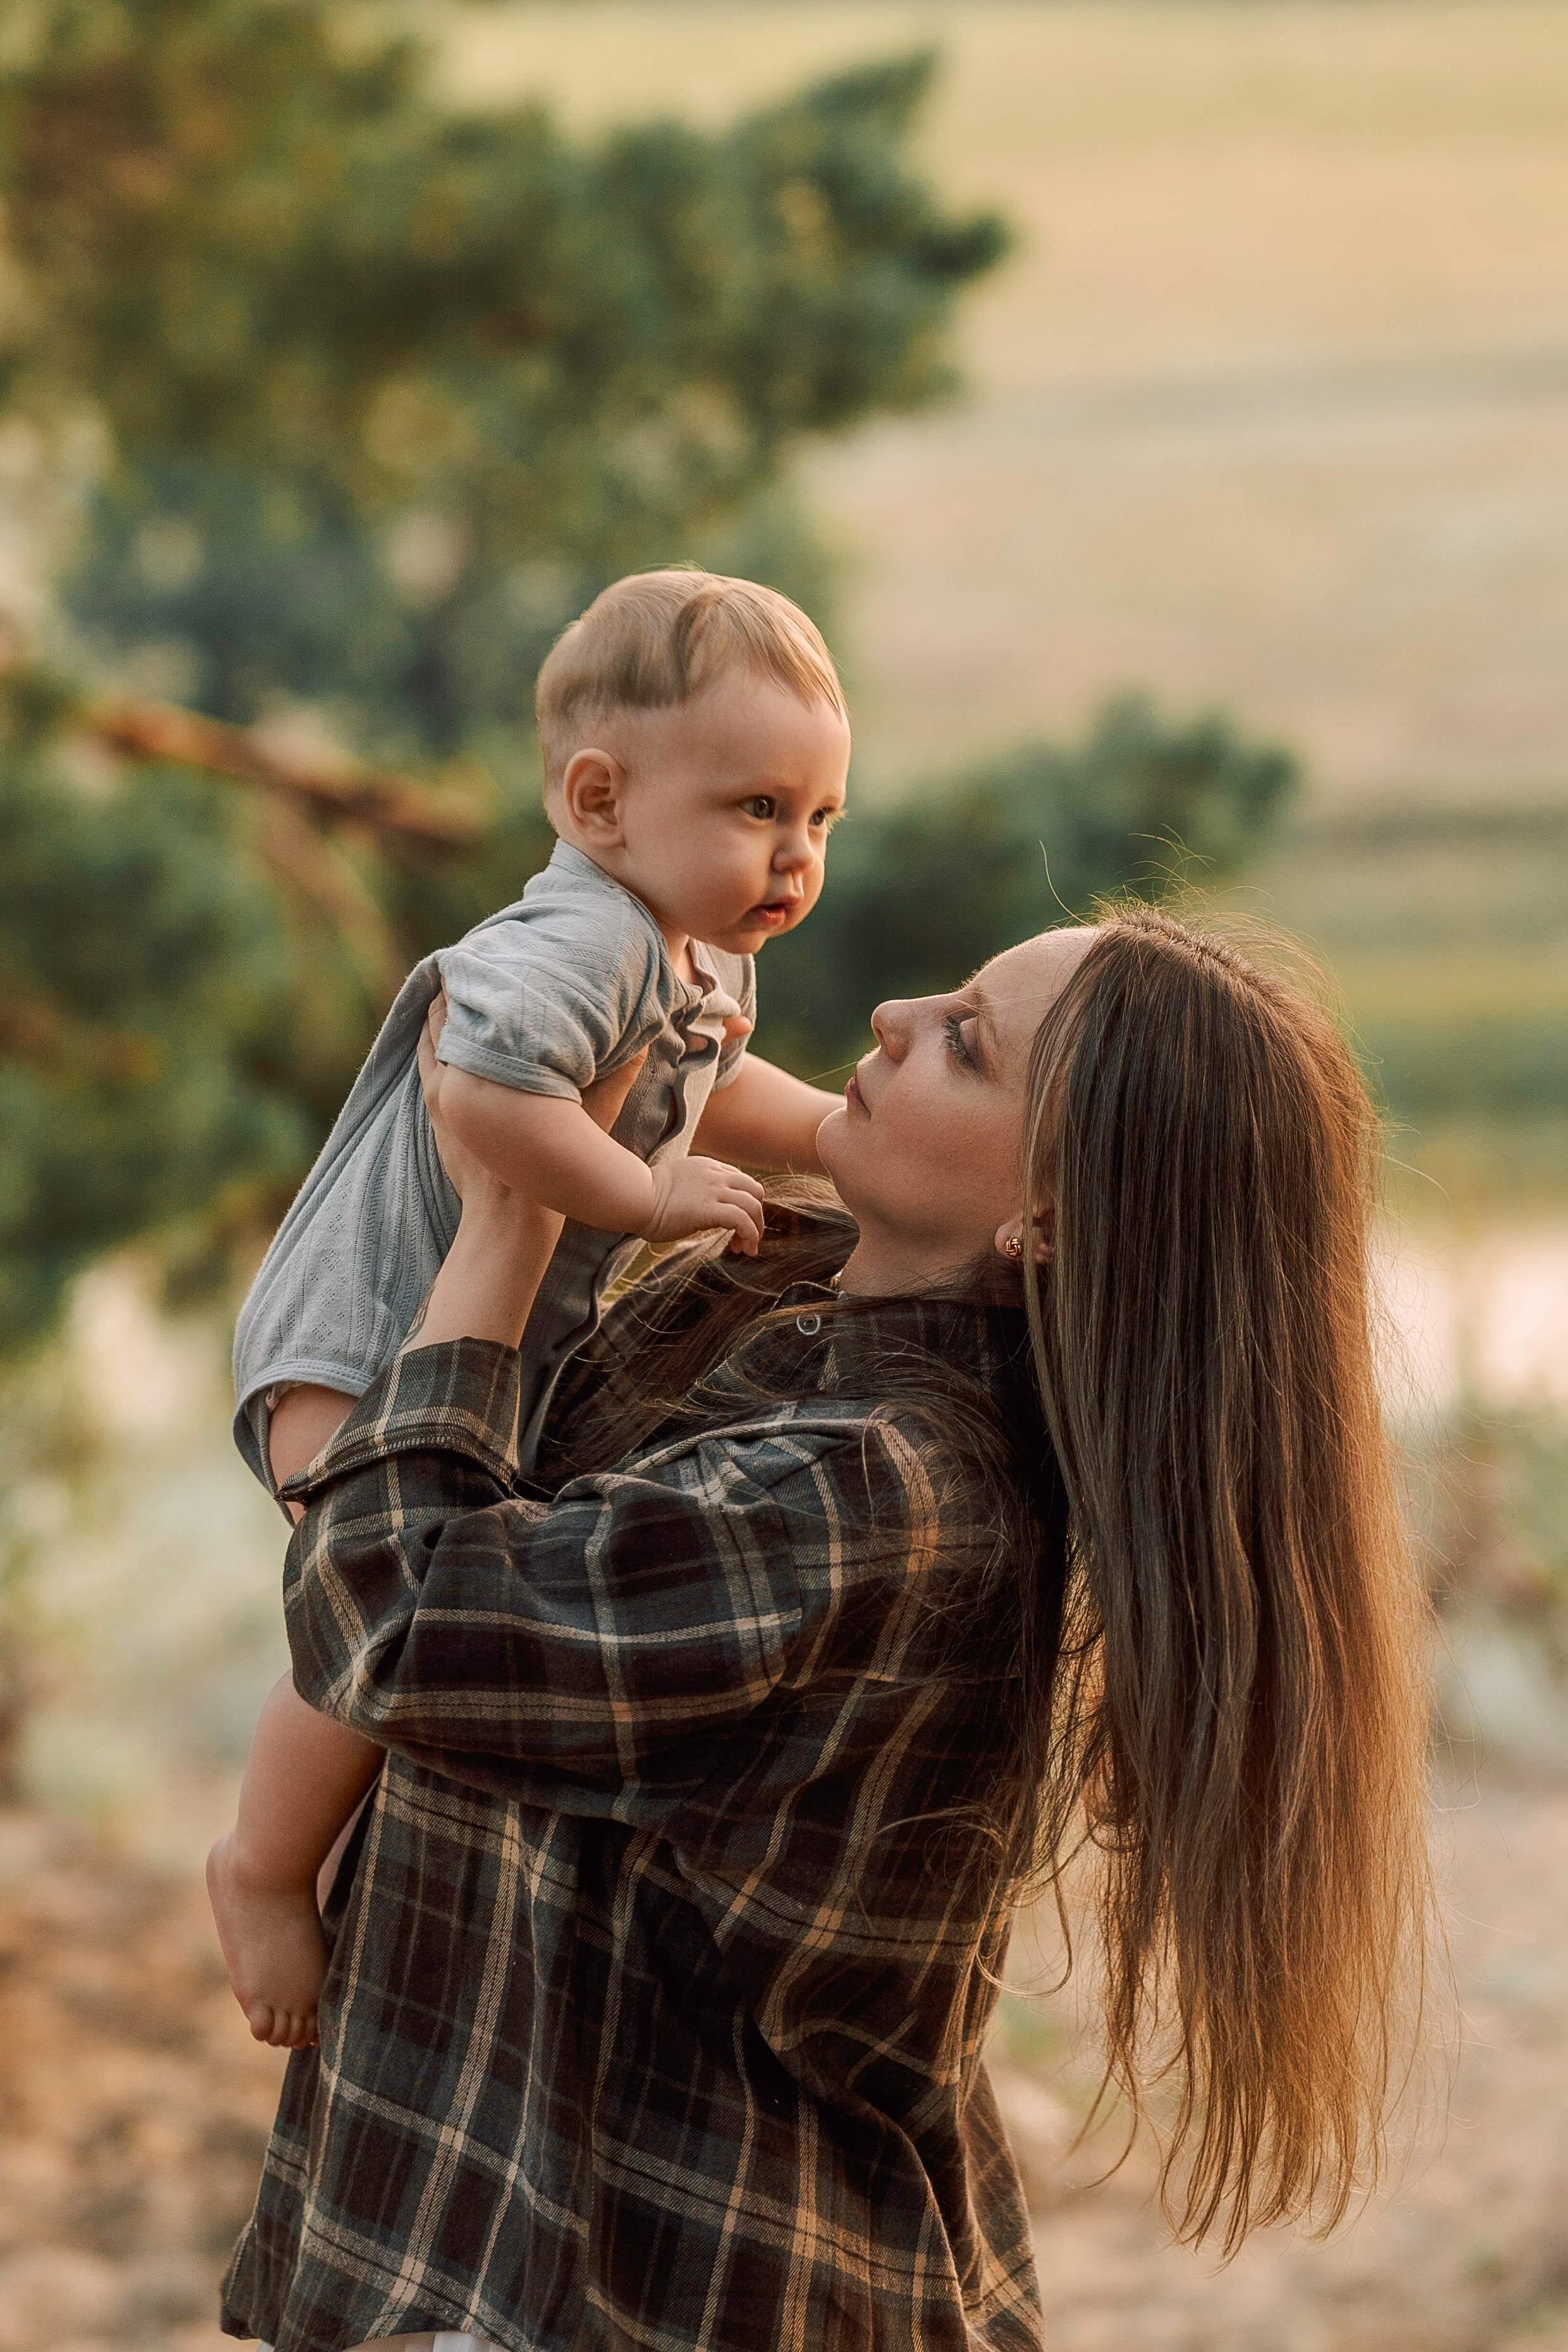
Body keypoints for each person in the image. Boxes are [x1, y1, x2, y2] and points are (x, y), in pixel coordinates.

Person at [221, 910, 1434, 2352]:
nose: (893, 1016)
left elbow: (393, 1624)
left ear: (1048, 1220)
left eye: (965, 1044)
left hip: (650, 2279)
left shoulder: (876, 1494)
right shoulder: (773, 1286)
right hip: (511, 2235)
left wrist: (506, 1219)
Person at [209, 569, 852, 2050]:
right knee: (379, 1615)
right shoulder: (584, 943)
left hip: (452, 1346)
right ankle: (259, 1867)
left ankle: (324, 1862)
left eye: (822, 818)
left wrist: (829, 1134)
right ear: (598, 801)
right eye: (758, 808)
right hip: (361, 1335)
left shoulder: (694, 947)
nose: (796, 854)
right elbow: (490, 1094)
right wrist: (645, 1198)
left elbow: (701, 1084)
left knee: (421, 1620)